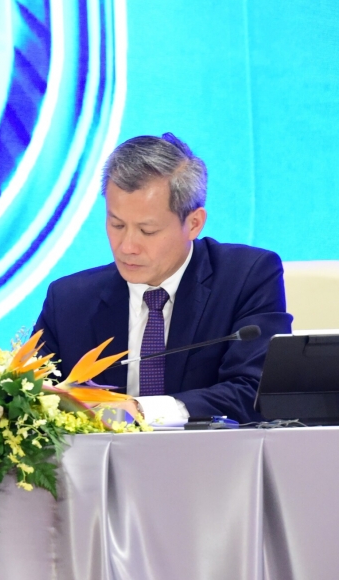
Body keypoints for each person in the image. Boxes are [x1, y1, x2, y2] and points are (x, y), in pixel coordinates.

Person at [34, 134, 290, 424]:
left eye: (147, 231)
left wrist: (140, 411)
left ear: (194, 223)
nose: (127, 246)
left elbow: (255, 391)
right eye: (117, 224)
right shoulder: (68, 300)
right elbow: (29, 398)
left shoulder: (246, 277)